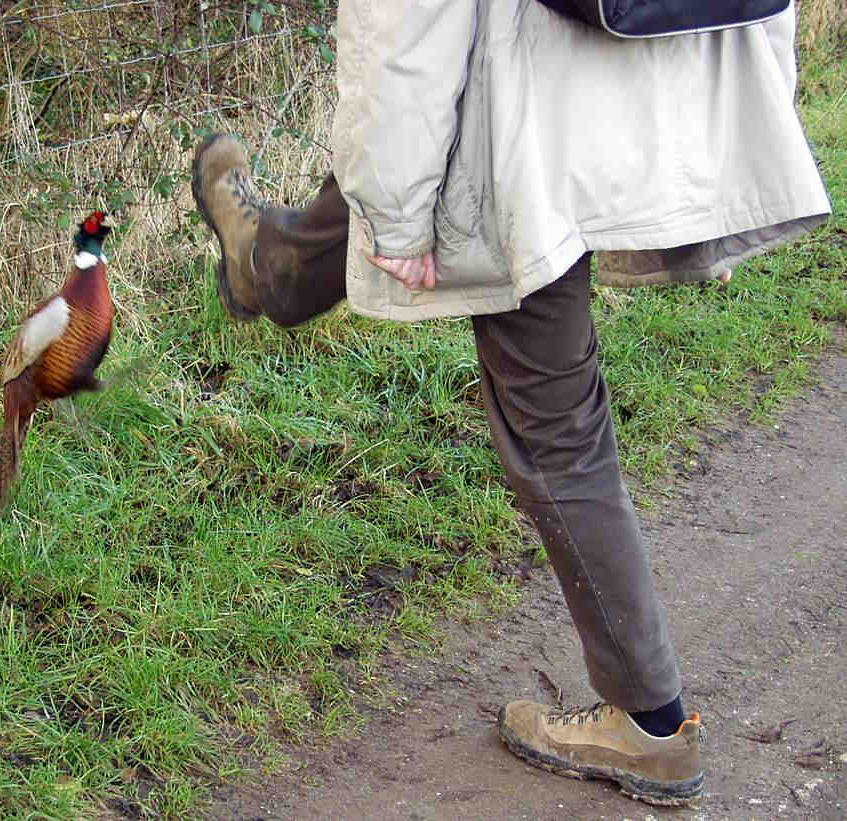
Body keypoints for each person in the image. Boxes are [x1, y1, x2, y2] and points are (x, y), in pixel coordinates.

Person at [190, 0, 830, 808]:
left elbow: (409, 28)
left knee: (558, 428)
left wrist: (397, 215)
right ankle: (270, 263)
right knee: (432, 151)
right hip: (648, 116)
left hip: (530, 134)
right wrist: (715, 182)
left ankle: (651, 724)